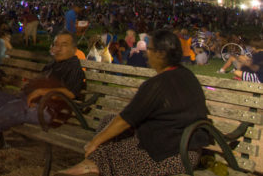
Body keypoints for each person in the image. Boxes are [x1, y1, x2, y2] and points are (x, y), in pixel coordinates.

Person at [55, 29, 211, 176]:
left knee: (105, 150)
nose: (146, 54)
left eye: (149, 49)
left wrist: (94, 143)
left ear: (160, 54)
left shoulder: (157, 84)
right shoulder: (187, 75)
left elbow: (126, 119)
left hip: (171, 156)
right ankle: (91, 164)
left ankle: (90, 165)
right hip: (185, 149)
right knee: (108, 122)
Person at [0, 32, 85, 176]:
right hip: (26, 102)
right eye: (56, 44)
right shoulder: (53, 64)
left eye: (64, 45)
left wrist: (41, 92)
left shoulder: (74, 66)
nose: (58, 48)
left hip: (45, 110)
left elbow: (70, 93)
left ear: (73, 48)